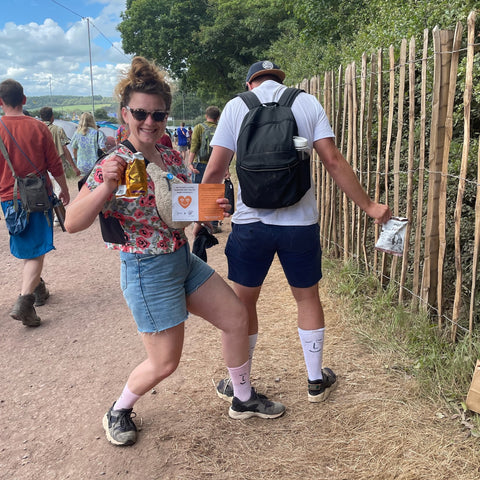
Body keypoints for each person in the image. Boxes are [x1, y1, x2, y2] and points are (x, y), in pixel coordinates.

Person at [64, 56, 285, 447]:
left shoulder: (167, 157)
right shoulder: (111, 164)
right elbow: (71, 222)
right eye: (140, 113)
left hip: (182, 258)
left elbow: (185, 207)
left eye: (158, 115)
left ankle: (243, 397)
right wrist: (105, 189)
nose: (149, 122)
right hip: (146, 269)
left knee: (236, 317)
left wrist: (212, 207)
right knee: (165, 362)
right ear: (124, 114)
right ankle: (119, 409)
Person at [195, 60, 392, 404]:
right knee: (307, 297)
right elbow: (332, 160)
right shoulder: (306, 102)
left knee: (242, 305)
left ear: (250, 82)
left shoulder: (236, 107)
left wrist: (199, 219)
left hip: (249, 224)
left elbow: (214, 170)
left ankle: (241, 384)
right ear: (279, 80)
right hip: (299, 224)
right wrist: (370, 206)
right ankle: (315, 380)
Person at [0, 79, 70, 327]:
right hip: (38, 197)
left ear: (0, 102)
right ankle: (25, 302)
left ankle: (39, 287)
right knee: (37, 250)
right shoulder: (38, 127)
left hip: (9, 198)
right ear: (24, 99)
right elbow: (55, 164)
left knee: (27, 243)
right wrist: (64, 189)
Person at [188, 106, 222, 232]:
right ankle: (214, 223)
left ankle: (199, 222)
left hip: (200, 164)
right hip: (216, 164)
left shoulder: (199, 127)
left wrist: (190, 162)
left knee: (198, 193)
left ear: (206, 116)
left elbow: (194, 145)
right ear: (218, 117)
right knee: (214, 193)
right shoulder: (220, 128)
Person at [39, 107, 81, 178]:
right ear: (52, 117)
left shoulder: (36, 129)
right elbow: (65, 149)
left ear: (41, 117)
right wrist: (74, 167)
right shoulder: (58, 130)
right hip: (58, 165)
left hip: (41, 167)